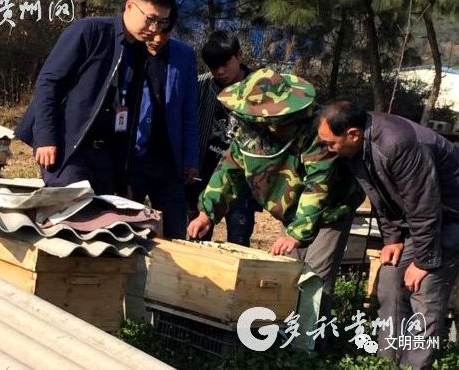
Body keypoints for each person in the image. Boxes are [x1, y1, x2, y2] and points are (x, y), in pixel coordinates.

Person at [187, 68, 364, 324]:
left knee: (315, 280)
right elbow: (230, 168)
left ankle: (310, 342)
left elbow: (319, 184)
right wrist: (207, 212)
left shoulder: (316, 130)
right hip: (290, 209)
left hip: (329, 211)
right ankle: (283, 335)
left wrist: (296, 234)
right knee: (287, 278)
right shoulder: (249, 129)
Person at [318, 100, 459, 369]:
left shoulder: (397, 144)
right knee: (390, 281)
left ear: (352, 134)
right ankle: (388, 362)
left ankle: (416, 365)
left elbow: (425, 203)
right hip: (421, 221)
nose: (328, 149)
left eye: (330, 143)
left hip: (451, 217)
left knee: (425, 292)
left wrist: (423, 262)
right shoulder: (359, 148)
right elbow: (379, 195)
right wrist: (392, 239)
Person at [15, 0, 176, 194]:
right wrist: (45, 137)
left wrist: (124, 175)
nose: (154, 28)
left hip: (105, 156)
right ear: (130, 6)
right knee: (73, 207)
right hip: (69, 146)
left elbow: (129, 115)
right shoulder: (90, 31)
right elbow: (48, 83)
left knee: (105, 212)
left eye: (162, 22)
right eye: (150, 19)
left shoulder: (140, 54)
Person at [126, 10, 199, 239]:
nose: (157, 39)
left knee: (175, 231)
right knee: (126, 228)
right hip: (132, 157)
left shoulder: (184, 56)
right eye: (155, 33)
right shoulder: (129, 50)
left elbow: (190, 112)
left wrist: (191, 159)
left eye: (165, 34)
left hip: (169, 159)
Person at [186, 30, 258, 246]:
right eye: (213, 67)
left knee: (238, 241)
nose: (220, 71)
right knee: (196, 238)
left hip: (241, 179)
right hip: (202, 175)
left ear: (239, 55)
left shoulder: (259, 90)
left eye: (225, 64)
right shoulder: (200, 85)